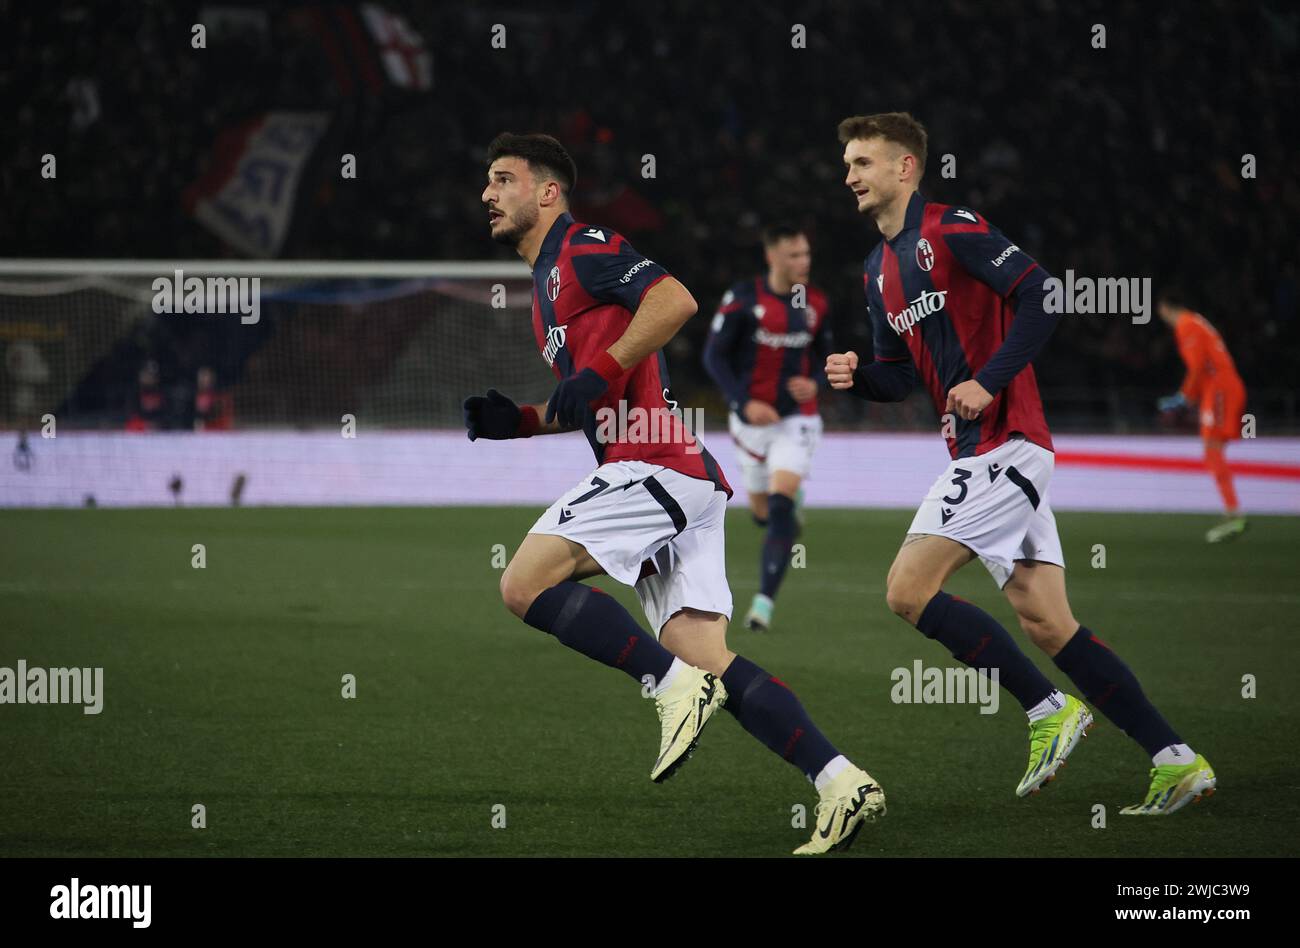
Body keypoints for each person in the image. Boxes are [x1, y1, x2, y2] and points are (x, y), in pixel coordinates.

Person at [464, 132, 883, 852]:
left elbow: (675, 300)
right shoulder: (543, 293)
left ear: (546, 191)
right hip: (676, 479)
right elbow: (591, 398)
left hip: (653, 466)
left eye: (502, 179)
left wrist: (603, 368)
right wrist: (523, 423)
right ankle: (842, 782)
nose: (487, 194)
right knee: (707, 653)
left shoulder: (584, 247)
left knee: (521, 584)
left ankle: (670, 688)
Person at [826, 112, 1215, 815]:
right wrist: (860, 375)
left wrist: (991, 379)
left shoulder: (955, 228)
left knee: (905, 590)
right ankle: (1175, 760)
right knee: (1046, 621)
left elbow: (1042, 293)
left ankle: (1045, 709)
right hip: (978, 453)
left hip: (1007, 447)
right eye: (847, 163)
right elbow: (897, 376)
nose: (848, 175)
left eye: (862, 162)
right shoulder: (875, 270)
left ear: (905, 168)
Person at [703, 223, 833, 631]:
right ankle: (786, 506)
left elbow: (828, 359)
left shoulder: (816, 305)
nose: (803, 262)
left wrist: (817, 382)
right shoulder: (743, 300)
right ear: (771, 257)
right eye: (794, 255)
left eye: (806, 254)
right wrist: (743, 403)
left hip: (797, 418)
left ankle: (763, 602)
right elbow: (714, 358)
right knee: (762, 513)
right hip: (750, 422)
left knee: (777, 507)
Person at [1156, 296, 1248, 542]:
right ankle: (1232, 513)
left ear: (1165, 308)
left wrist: (1184, 397)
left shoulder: (1185, 325)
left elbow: (1197, 366)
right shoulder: (1197, 322)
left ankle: (1234, 514)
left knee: (1212, 450)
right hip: (1219, 388)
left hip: (1220, 389)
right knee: (1212, 451)